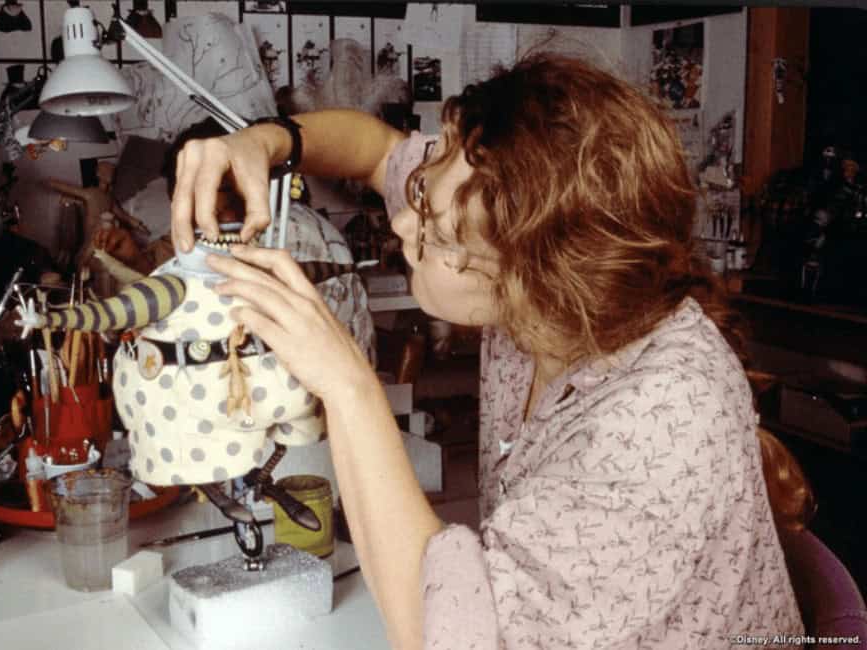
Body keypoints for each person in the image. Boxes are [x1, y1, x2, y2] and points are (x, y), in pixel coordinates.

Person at [170, 53, 808, 649]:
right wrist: (267, 141)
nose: (401, 221)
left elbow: (452, 633)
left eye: (436, 231)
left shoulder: (657, 424)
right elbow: (377, 153)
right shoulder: (529, 248)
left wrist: (349, 385)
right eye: (422, 192)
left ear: (539, 276)